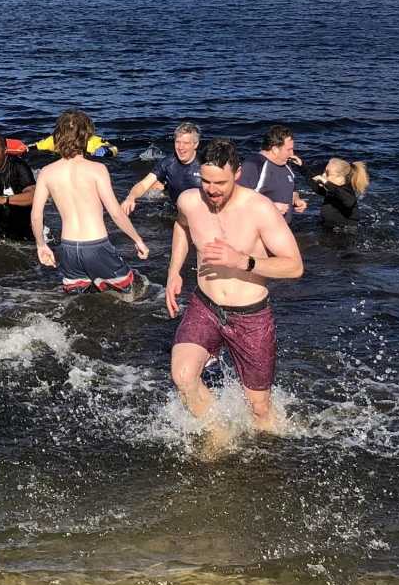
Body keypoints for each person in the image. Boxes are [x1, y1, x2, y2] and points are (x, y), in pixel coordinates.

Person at [165, 137, 305, 433]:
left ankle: (267, 460)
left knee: (259, 408)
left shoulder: (259, 209)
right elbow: (182, 226)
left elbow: (294, 266)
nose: (212, 190)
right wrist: (174, 272)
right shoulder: (190, 201)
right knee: (183, 375)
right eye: (206, 181)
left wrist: (245, 261)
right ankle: (219, 434)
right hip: (206, 306)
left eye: (221, 183)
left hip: (250, 315)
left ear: (238, 174)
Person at [30, 109, 149, 292]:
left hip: (68, 248)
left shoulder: (46, 172)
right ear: (87, 136)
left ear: (57, 137)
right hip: (96, 246)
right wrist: (137, 240)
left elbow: (36, 215)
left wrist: (41, 245)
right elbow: (115, 212)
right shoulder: (97, 169)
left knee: (80, 299)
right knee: (133, 290)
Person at [120, 122, 203, 218]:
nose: (181, 147)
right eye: (178, 142)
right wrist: (130, 198)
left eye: (186, 143)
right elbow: (143, 184)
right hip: (177, 212)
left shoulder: (205, 163)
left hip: (201, 213)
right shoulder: (167, 163)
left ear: (196, 144)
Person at [237, 125, 308, 220]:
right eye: (289, 150)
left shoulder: (286, 164)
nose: (292, 154)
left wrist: (296, 199)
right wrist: (271, 207)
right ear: (275, 149)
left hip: (283, 229)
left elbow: (293, 189)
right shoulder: (253, 165)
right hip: (259, 230)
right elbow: (238, 200)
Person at [309, 157, 371, 228]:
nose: (323, 175)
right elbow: (315, 186)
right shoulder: (330, 189)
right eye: (324, 171)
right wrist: (301, 166)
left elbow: (349, 201)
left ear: (341, 179)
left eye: (327, 174)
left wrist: (326, 183)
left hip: (344, 230)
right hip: (328, 225)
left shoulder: (346, 190)